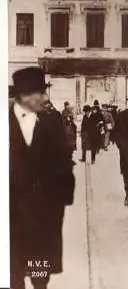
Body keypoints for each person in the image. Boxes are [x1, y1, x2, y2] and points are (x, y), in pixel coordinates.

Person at [9, 67, 75, 289]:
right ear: (25, 95)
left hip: (42, 218)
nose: (46, 98)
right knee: (13, 274)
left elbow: (63, 162)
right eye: (41, 92)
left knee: (39, 274)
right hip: (11, 219)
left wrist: (58, 205)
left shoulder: (50, 122)